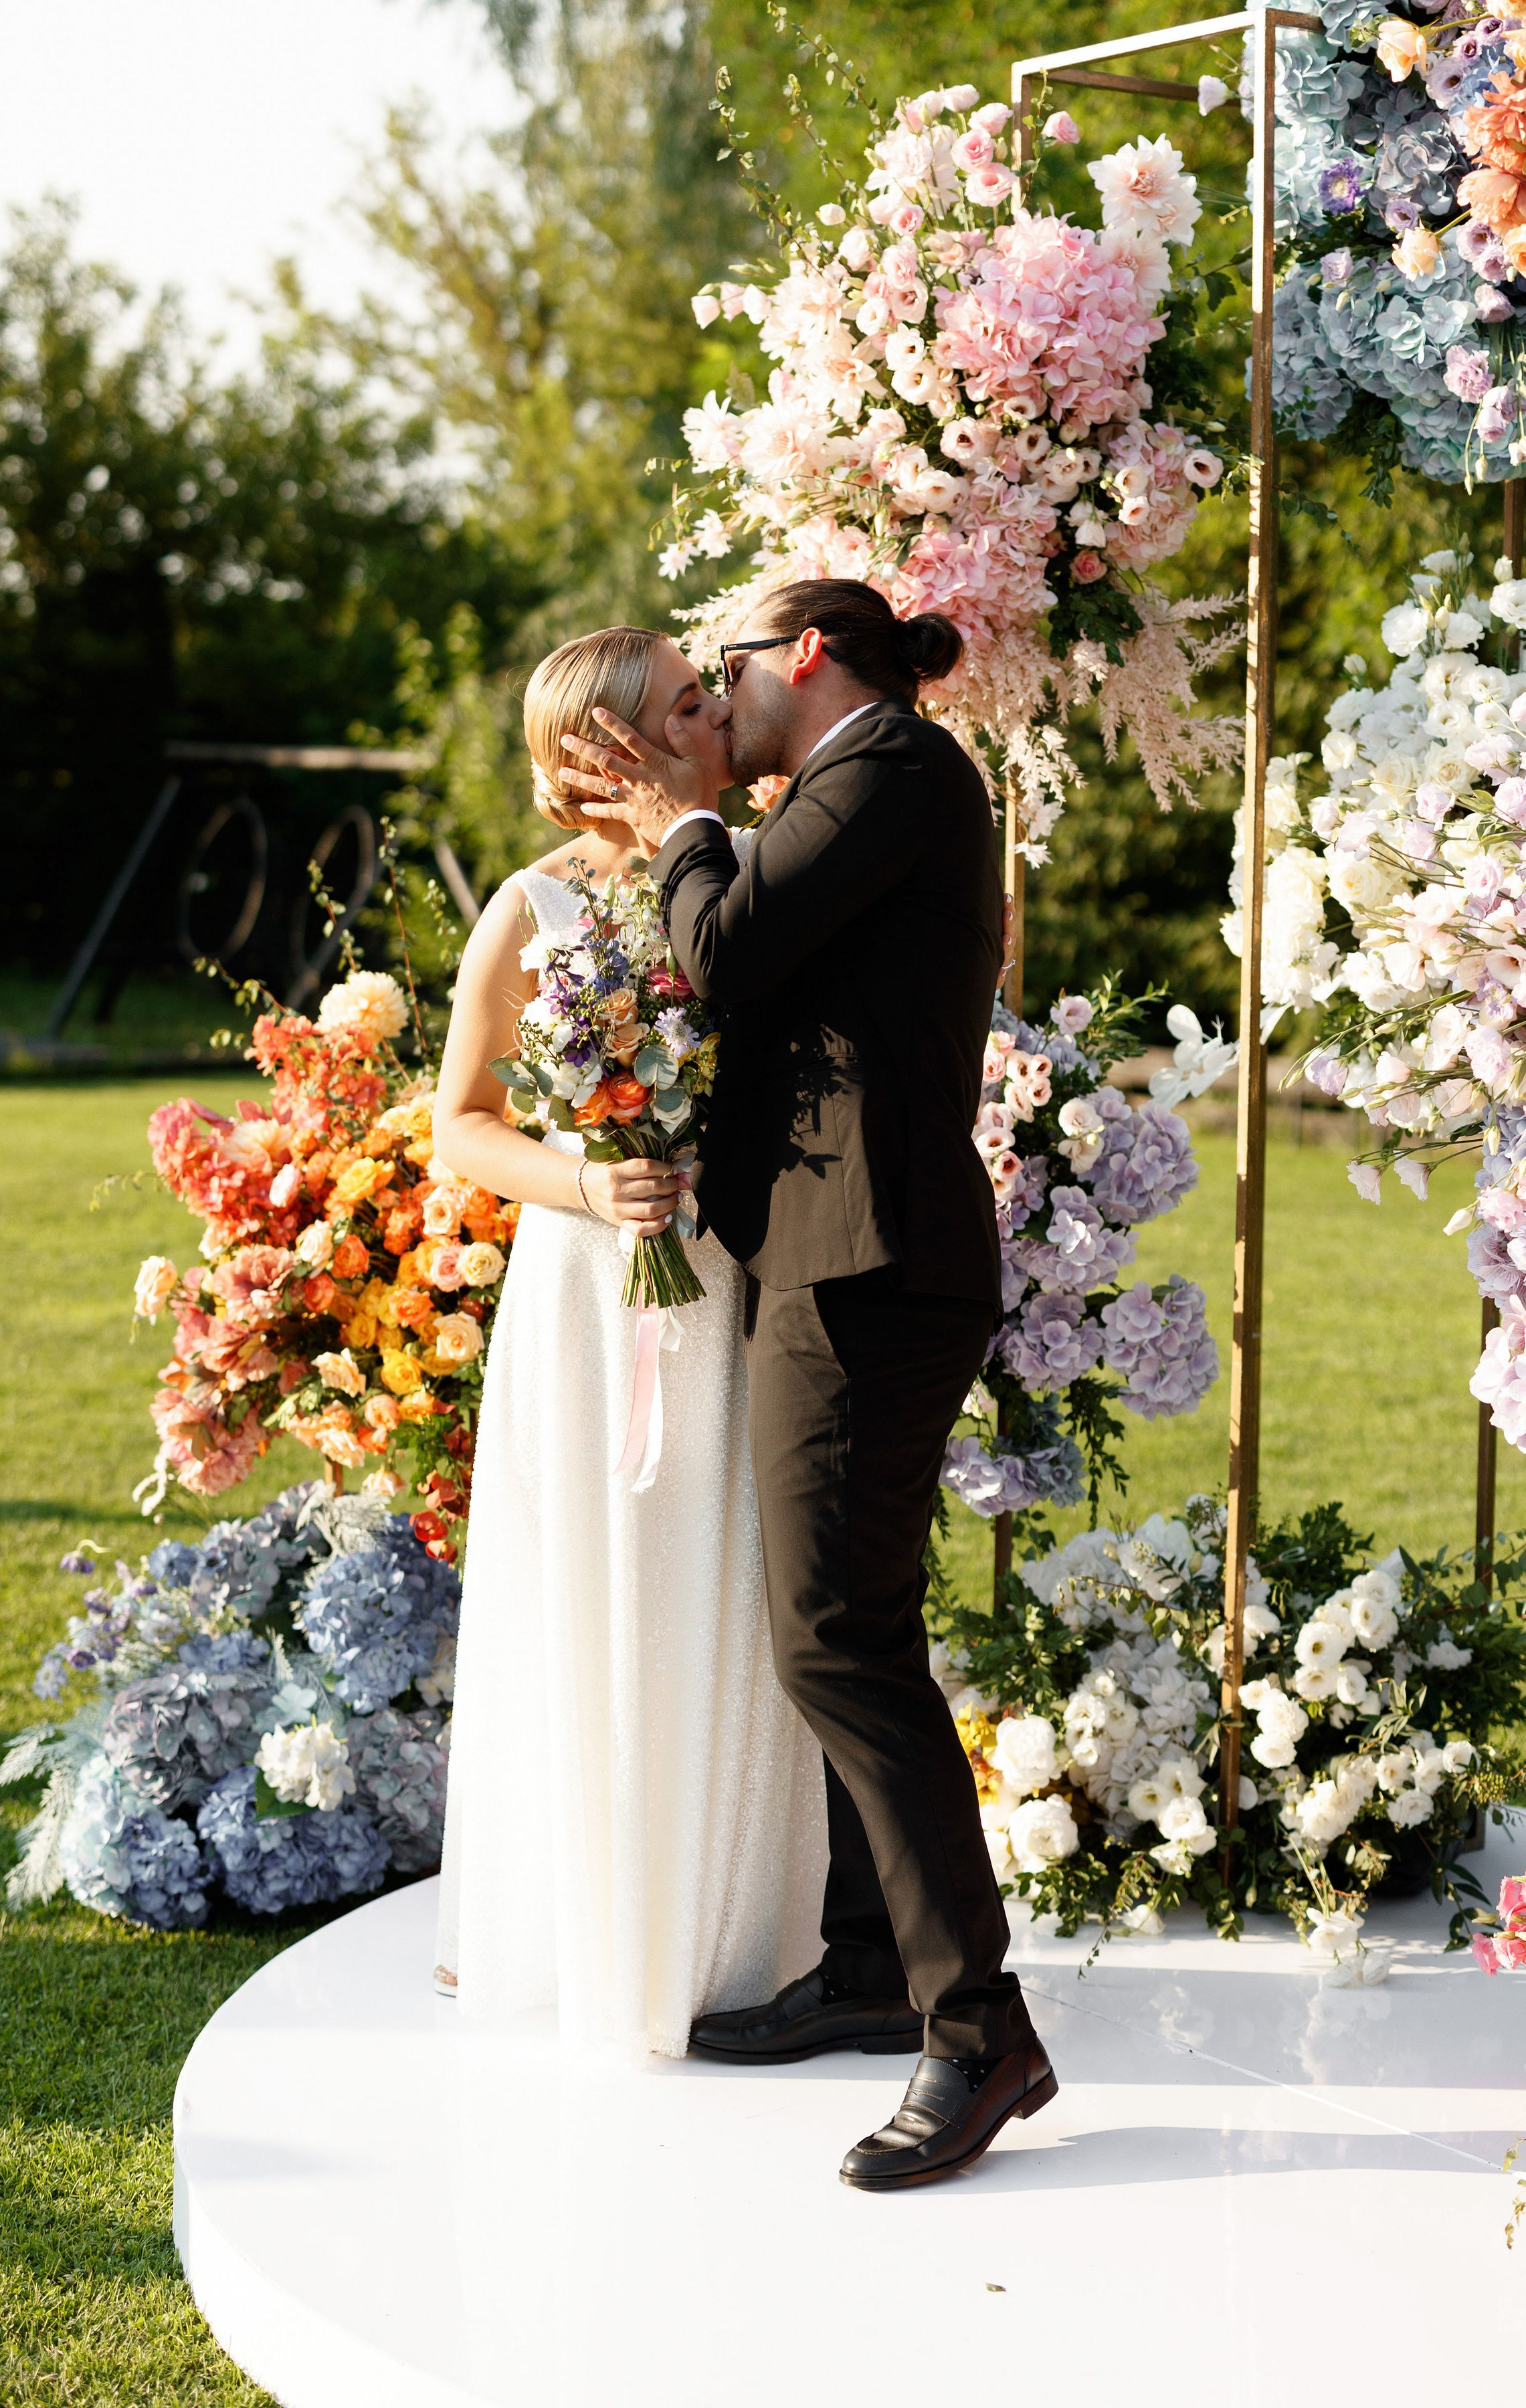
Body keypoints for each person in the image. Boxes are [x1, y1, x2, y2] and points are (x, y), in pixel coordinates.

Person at [556, 577, 1056, 2191]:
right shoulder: (857, 785)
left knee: (839, 1639)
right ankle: (866, 1961)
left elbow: (730, 946)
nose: (720, 698)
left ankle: (979, 2035)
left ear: (809, 658)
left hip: (869, 1270)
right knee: (840, 1625)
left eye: (731, 671)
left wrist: (685, 818)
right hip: (833, 1254)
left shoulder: (889, 771)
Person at [428, 625, 829, 2058]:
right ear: (607, 752)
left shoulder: (742, 875)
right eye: (684, 703)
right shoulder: (530, 910)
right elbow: (459, 1121)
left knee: (722, 1581)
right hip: (589, 1297)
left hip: (724, 1280)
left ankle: (730, 1937)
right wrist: (593, 1181)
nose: (720, 712)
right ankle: (588, 1933)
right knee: (591, 1587)